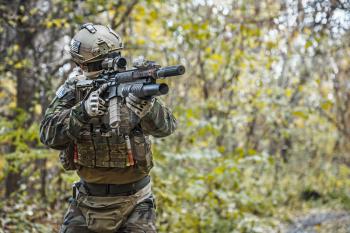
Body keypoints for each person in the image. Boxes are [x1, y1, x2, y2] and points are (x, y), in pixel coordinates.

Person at [39, 23, 177, 233]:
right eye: (94, 65)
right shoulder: (74, 89)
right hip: (86, 200)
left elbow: (167, 127)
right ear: (82, 65)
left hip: (135, 201)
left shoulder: (134, 86)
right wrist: (82, 111)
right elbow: (47, 134)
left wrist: (149, 110)